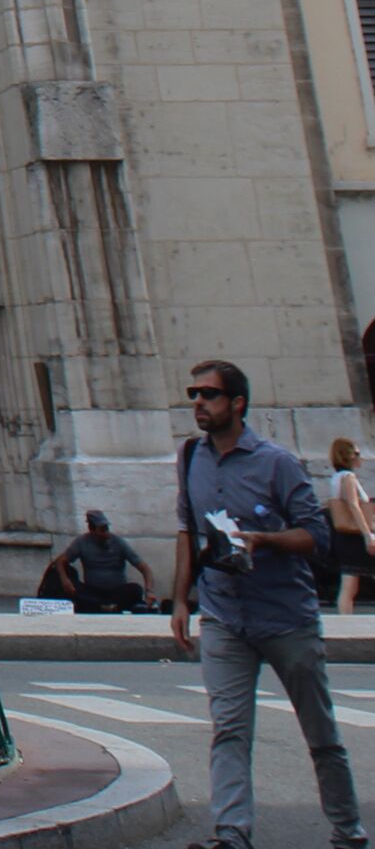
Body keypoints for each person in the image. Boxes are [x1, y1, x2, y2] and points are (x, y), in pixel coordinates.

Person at [170, 359, 369, 849]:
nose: (198, 403)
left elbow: (317, 536)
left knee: (320, 733)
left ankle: (348, 831)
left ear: (237, 403)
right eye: (194, 394)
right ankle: (232, 835)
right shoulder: (191, 456)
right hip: (223, 615)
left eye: (209, 394)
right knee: (229, 731)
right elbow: (187, 531)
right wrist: (180, 601)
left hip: (285, 616)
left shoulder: (277, 463)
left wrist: (264, 540)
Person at [39, 509, 154, 612]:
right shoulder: (82, 542)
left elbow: (145, 568)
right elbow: (60, 562)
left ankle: (107, 607)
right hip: (92, 592)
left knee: (135, 589)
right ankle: (103, 608)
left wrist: (149, 591)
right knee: (74, 591)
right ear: (92, 530)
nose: (106, 534)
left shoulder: (118, 542)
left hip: (117, 591)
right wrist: (65, 581)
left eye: (107, 529)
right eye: (102, 530)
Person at [331, 441, 374, 613]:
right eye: (356, 453)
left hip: (345, 536)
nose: (360, 457)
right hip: (356, 536)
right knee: (349, 585)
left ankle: (345, 621)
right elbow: (354, 505)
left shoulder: (336, 478)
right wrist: (368, 534)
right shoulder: (349, 477)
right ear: (347, 456)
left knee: (349, 583)